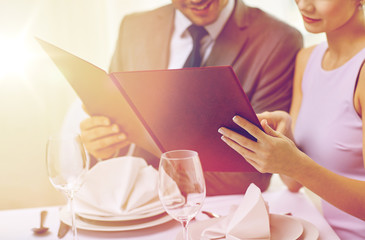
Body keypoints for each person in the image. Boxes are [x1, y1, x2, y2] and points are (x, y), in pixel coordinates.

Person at [75, 0, 303, 196]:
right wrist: (104, 144)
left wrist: (163, 183)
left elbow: (254, 168)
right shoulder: (133, 28)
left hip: (218, 210)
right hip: (133, 205)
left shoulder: (278, 40)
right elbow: (117, 123)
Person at [218, 0, 365, 238]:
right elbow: (293, 183)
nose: (305, 5)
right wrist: (284, 139)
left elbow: (301, 171)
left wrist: (296, 163)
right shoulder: (307, 59)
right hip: (321, 229)